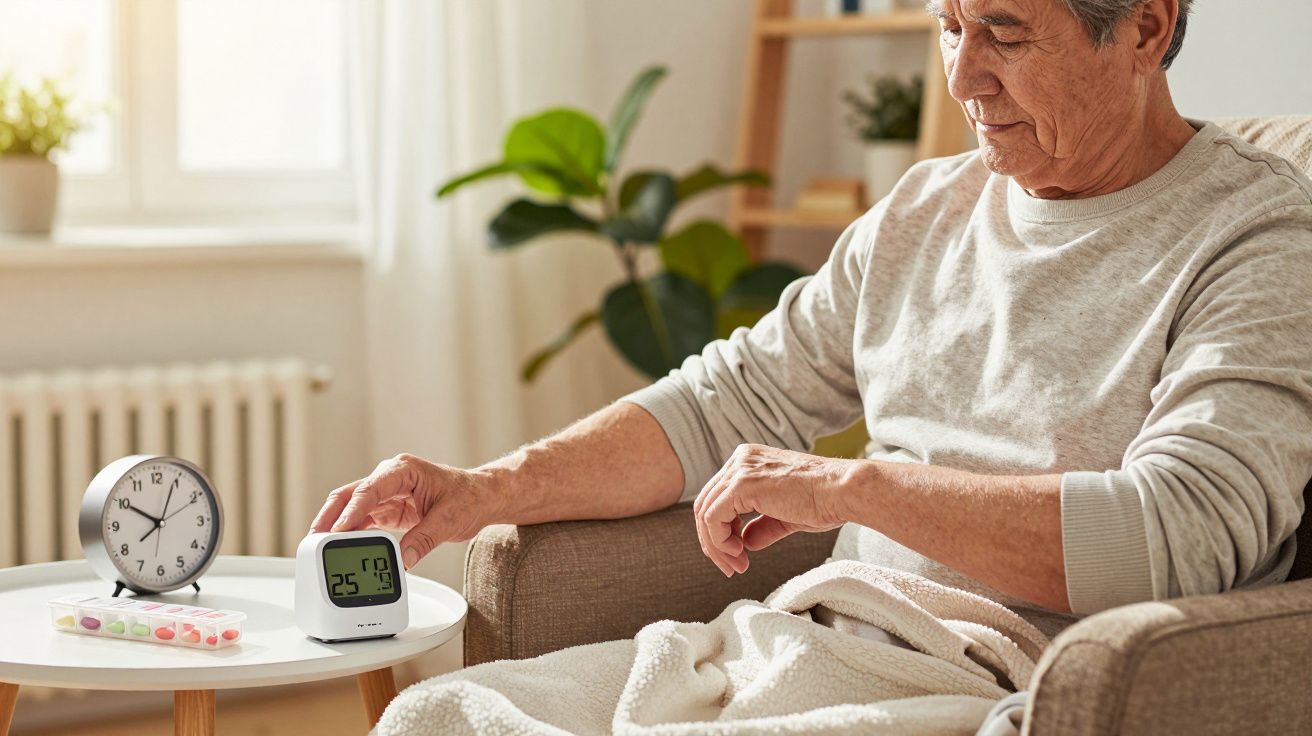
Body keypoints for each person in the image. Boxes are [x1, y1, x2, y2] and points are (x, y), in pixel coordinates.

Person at [312, 0, 1312, 644]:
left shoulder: (1257, 236)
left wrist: (855, 488)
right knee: (441, 718)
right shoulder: (927, 208)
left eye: (1004, 31)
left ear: (1143, 26)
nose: (962, 80)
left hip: (991, 680)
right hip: (814, 641)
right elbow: (725, 397)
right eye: (948, 24)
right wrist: (482, 489)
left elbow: (1182, 537)